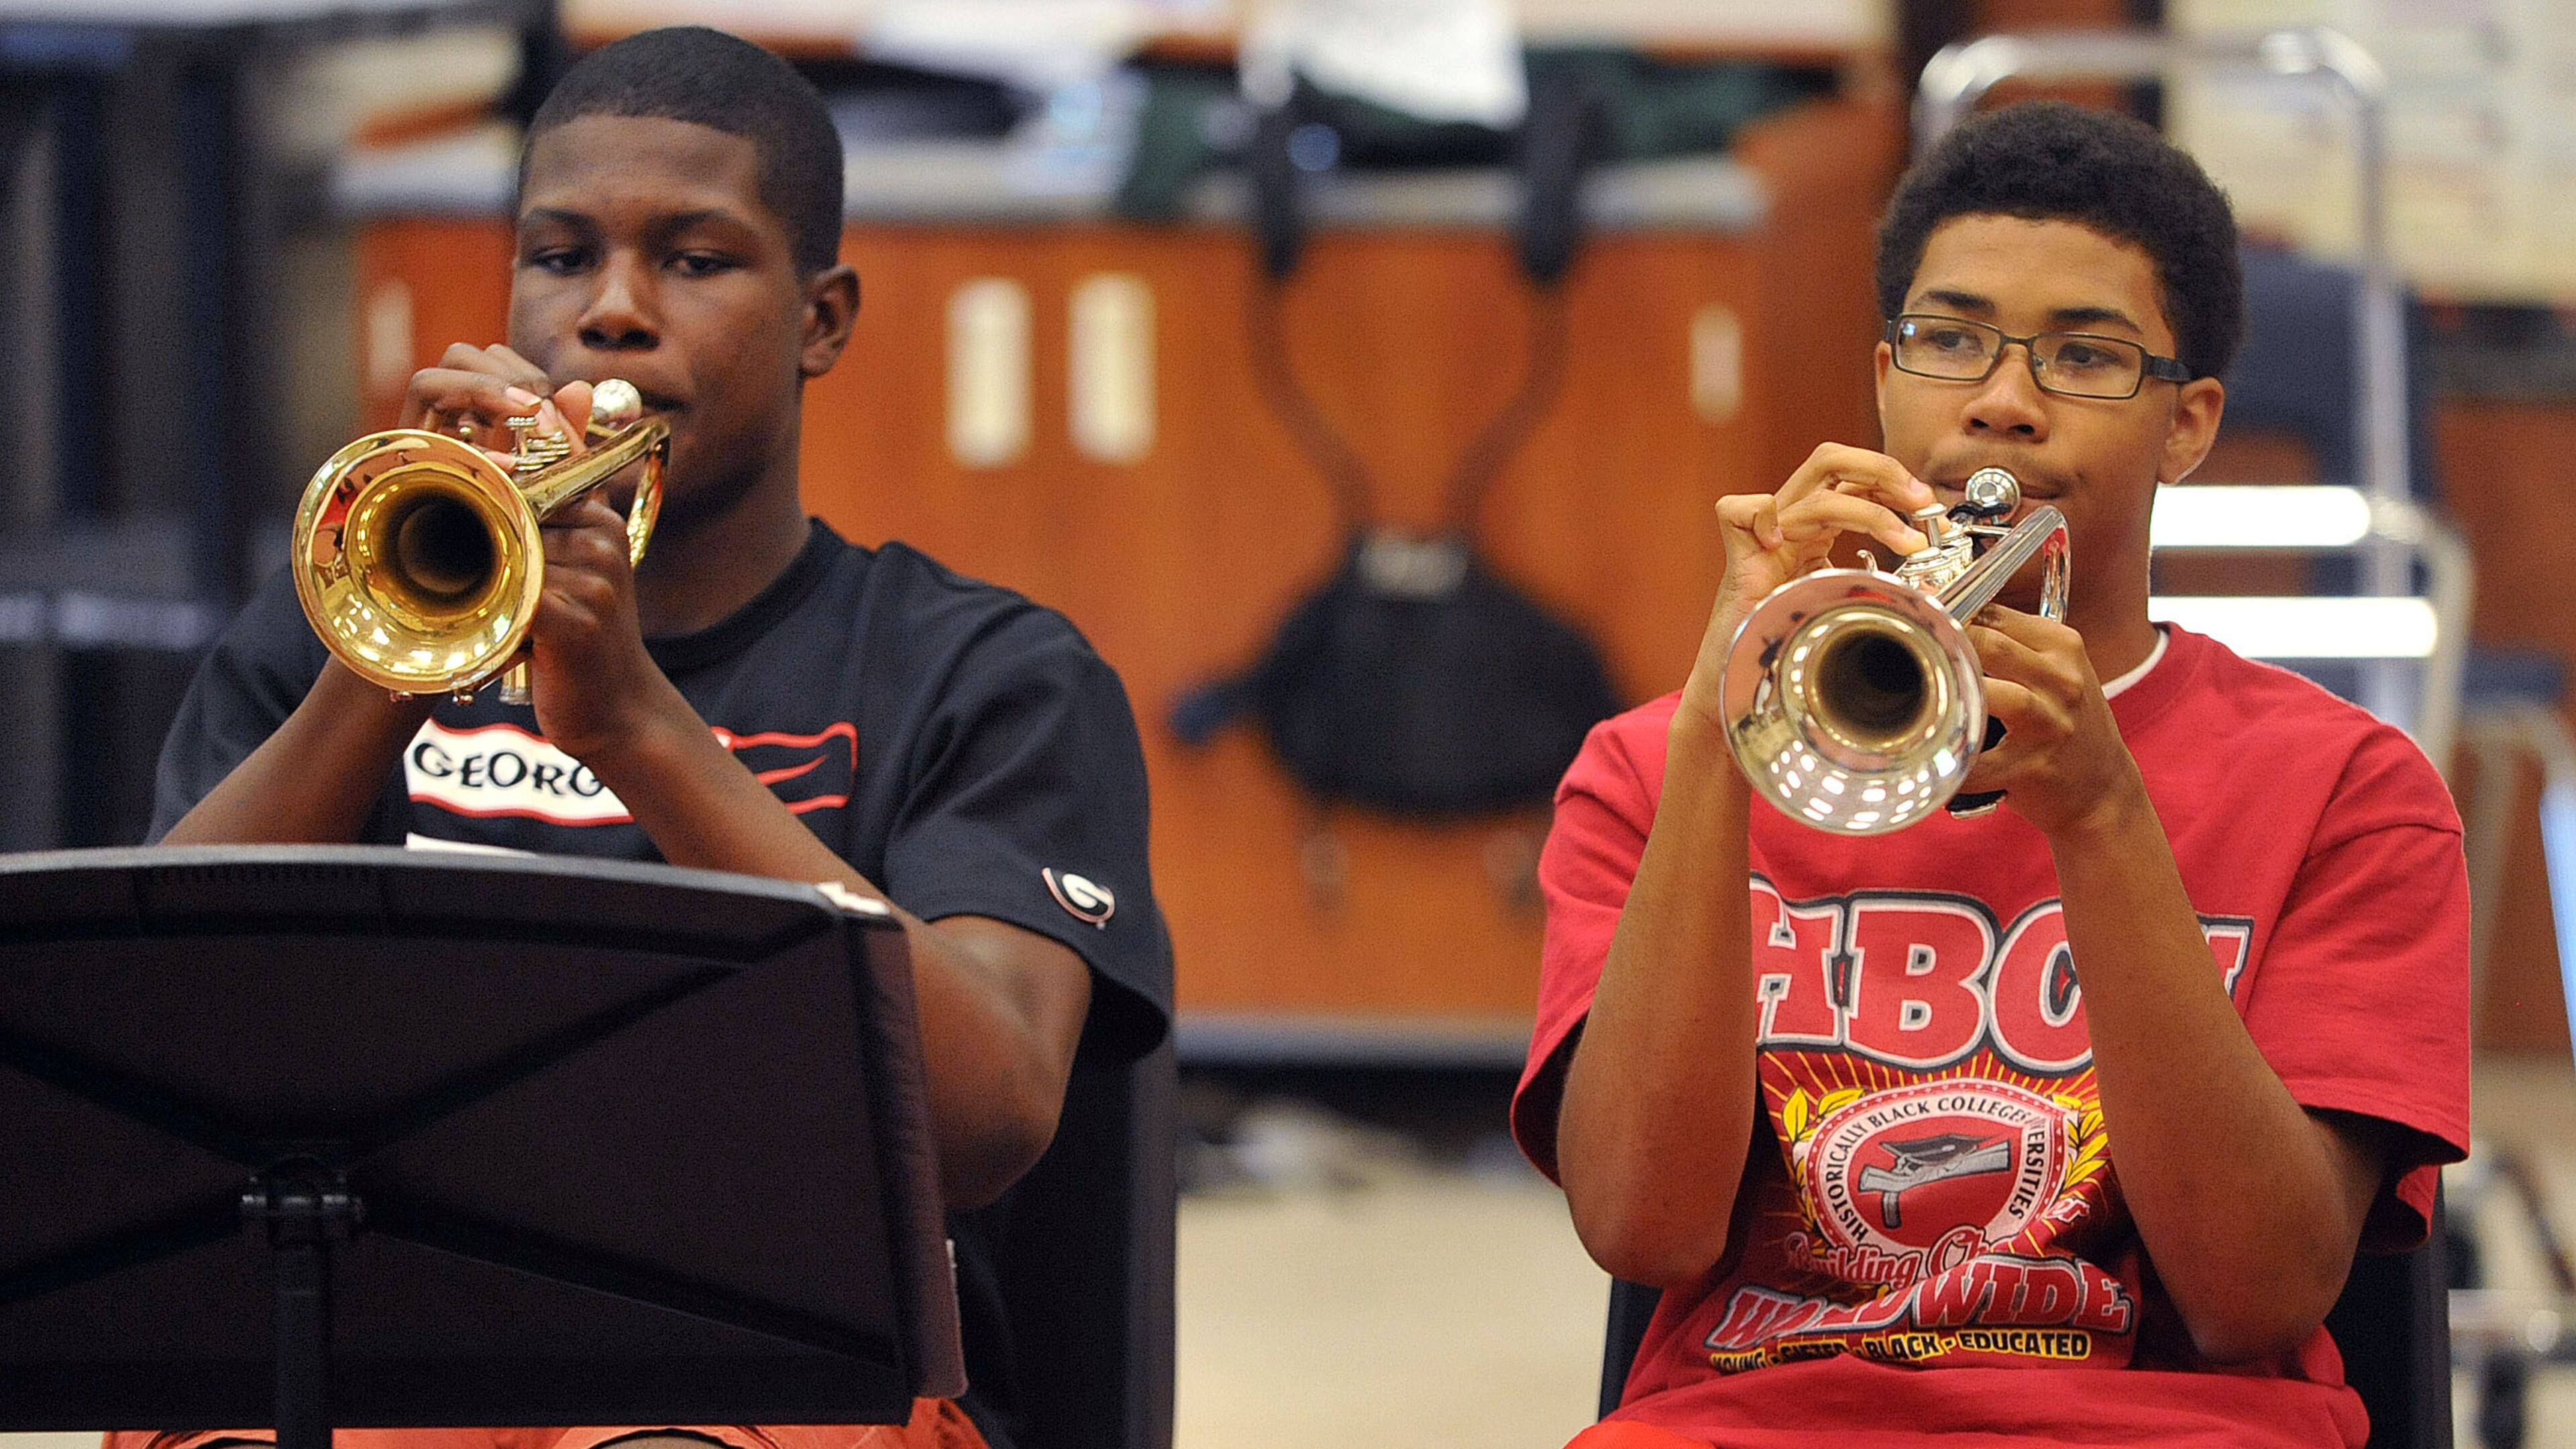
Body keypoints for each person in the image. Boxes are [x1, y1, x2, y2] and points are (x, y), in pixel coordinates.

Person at [131, 25, 1168, 1449]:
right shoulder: (324, 639)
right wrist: (385, 667)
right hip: (390, 1339)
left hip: (794, 1378)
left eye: (694, 259)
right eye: (561, 257)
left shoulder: (987, 672)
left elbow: (987, 1118)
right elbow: (152, 1021)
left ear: (823, 320)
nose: (612, 312)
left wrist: (631, 722)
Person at [1513, 100, 2468, 1448]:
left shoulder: (2349, 790)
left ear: (2187, 424)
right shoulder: (1645, 768)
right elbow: (1641, 1227)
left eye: (2083, 356)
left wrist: (2102, 816)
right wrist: (1716, 745)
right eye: (1949, 339)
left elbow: (2261, 1294)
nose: (2002, 403)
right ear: (1886, 376)